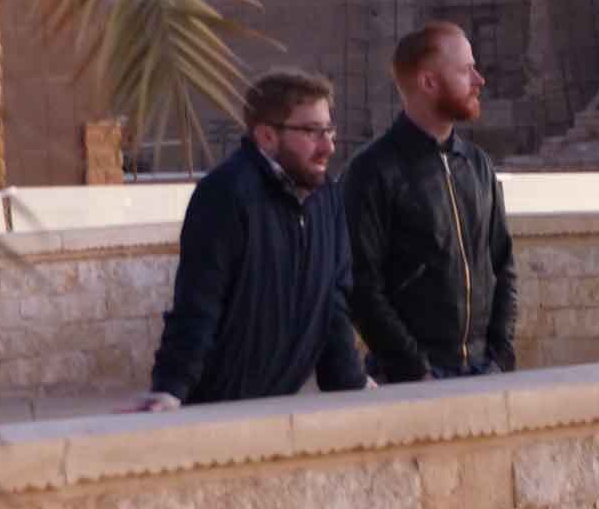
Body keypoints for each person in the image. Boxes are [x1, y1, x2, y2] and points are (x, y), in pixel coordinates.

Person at [138, 70, 374, 410]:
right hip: (214, 411)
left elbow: (332, 301)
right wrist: (170, 388)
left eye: (329, 130)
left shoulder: (327, 197)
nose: (328, 146)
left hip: (278, 407)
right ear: (266, 136)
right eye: (311, 131)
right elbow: (199, 301)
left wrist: (350, 379)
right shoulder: (226, 195)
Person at [344, 21, 518, 382]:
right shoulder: (373, 171)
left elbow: (502, 264)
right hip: (414, 380)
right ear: (428, 82)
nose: (479, 80)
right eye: (465, 70)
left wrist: (500, 356)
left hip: (485, 372)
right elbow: (362, 285)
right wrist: (415, 369)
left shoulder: (477, 165)